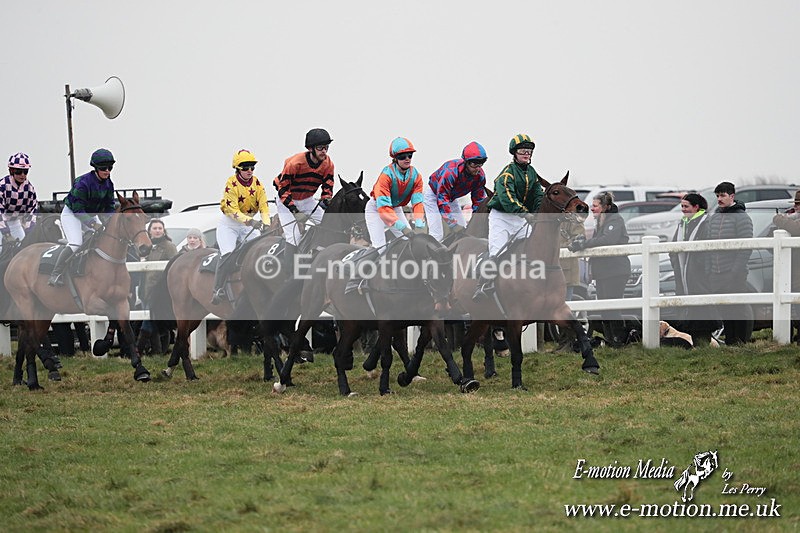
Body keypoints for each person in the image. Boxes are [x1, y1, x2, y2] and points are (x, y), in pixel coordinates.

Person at [473, 134, 542, 301]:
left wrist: (540, 211)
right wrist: (526, 213)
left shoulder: (532, 173)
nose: (526, 154)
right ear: (515, 153)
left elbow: (538, 194)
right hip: (502, 217)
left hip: (520, 218)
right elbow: (507, 198)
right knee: (497, 252)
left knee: (533, 248)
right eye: (523, 151)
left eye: (529, 151)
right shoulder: (507, 174)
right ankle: (483, 285)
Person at [569, 191, 631, 348]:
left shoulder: (615, 220)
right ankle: (610, 339)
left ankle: (618, 339)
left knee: (613, 306)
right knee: (605, 307)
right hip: (605, 271)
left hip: (615, 271)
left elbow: (607, 240)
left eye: (595, 206)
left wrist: (585, 244)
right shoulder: (601, 221)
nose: (592, 208)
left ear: (605, 207)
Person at [49, 148, 117, 287]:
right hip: (72, 214)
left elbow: (109, 207)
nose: (107, 171)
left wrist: (111, 221)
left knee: (100, 240)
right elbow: (78, 209)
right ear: (96, 168)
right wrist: (93, 224)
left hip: (90, 215)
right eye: (104, 168)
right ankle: (56, 274)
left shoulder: (109, 184)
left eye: (110, 167)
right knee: (76, 244)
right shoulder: (82, 182)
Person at [212, 149, 270, 305]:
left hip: (248, 225)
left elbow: (264, 206)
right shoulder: (231, 183)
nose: (250, 171)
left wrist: (266, 223)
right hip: (230, 225)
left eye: (252, 167)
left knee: (259, 252)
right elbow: (232, 210)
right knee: (228, 253)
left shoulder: (257, 184)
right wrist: (251, 222)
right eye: (245, 167)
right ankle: (218, 288)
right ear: (237, 169)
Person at [273, 128, 335, 268]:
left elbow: (328, 186)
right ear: (310, 148)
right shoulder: (295, 164)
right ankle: (289, 271)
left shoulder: (328, 164)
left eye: (326, 147)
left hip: (308, 200)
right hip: (286, 201)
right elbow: (283, 190)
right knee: (294, 236)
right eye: (320, 148)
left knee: (328, 226)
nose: (324, 151)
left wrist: (326, 200)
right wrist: (295, 211)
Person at [704, 181, 753, 345]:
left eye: (723, 195)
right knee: (724, 307)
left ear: (732, 196)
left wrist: (735, 271)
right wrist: (709, 269)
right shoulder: (714, 217)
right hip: (716, 272)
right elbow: (709, 245)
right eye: (717, 195)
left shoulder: (742, 217)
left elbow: (745, 247)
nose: (719, 199)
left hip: (734, 272)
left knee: (738, 307)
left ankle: (740, 340)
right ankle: (730, 339)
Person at [668, 193, 719, 346]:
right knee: (691, 311)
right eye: (682, 206)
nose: (683, 210)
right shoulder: (683, 223)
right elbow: (673, 247)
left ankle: (703, 343)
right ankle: (699, 344)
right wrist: (676, 265)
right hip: (684, 274)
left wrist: (701, 267)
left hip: (699, 274)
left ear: (696, 207)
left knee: (702, 310)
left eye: (686, 206)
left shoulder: (706, 223)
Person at [366, 137, 426, 250]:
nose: (407, 159)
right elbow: (383, 207)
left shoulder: (416, 175)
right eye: (402, 156)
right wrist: (402, 227)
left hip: (396, 209)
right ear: (395, 158)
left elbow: (417, 202)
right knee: (380, 249)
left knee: (410, 243)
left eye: (410, 155)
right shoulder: (386, 175)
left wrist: (419, 223)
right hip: (376, 209)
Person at [423, 141, 488, 242]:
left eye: (481, 164)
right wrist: (452, 224)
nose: (478, 169)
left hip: (451, 198)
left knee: (464, 232)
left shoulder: (480, 176)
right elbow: (442, 200)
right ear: (466, 162)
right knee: (437, 234)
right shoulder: (450, 172)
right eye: (474, 164)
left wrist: (476, 222)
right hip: (434, 195)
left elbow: (478, 202)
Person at [137, 218, 178, 354]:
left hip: (160, 291)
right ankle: (157, 352)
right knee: (153, 322)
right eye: (154, 228)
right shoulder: (146, 247)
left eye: (160, 228)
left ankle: (138, 349)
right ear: (149, 231)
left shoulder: (169, 246)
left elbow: (174, 267)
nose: (157, 230)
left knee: (150, 321)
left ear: (164, 230)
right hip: (145, 290)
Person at [772, 190, 800, 343]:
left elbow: (797, 229)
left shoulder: (790, 222)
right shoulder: (791, 219)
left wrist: (780, 220)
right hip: (791, 274)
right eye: (795, 203)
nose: (796, 207)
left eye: (798, 204)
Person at [0, 152, 39, 257]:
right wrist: (6, 233)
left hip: (14, 222)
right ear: (11, 171)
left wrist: (29, 232)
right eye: (19, 171)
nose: (22, 175)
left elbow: (32, 212)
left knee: (25, 250)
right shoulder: (2, 186)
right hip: (1, 222)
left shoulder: (30, 189)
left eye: (25, 171)